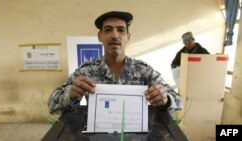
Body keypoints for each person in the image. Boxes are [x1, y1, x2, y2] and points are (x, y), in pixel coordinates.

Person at [48, 11, 182, 117]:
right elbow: (52, 104)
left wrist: (166, 99)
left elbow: (178, 101)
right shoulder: (87, 70)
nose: (115, 35)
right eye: (108, 30)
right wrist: (70, 94)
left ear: (128, 36)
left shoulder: (143, 70)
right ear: (99, 36)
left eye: (121, 30)